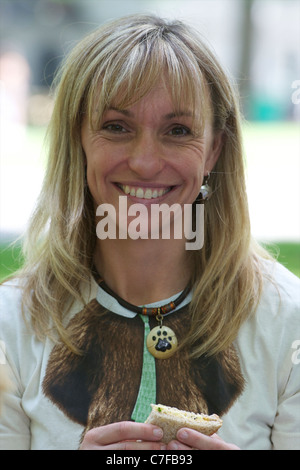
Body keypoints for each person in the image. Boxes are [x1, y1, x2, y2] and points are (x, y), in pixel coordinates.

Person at [0, 14, 299, 451]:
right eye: (116, 127)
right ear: (78, 140)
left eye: (177, 131)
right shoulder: (10, 325)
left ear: (214, 149)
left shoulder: (287, 320)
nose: (144, 161)